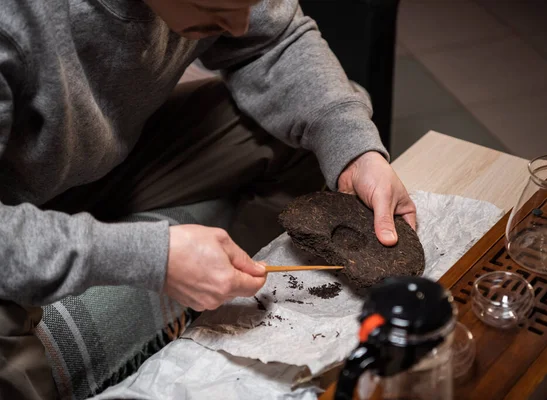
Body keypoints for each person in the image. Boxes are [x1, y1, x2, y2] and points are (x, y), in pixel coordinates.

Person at [0, 0, 417, 398]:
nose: (239, 24)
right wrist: (150, 257)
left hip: (86, 169)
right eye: (215, 7)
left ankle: (230, 303)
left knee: (317, 134)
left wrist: (353, 148)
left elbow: (273, 37)